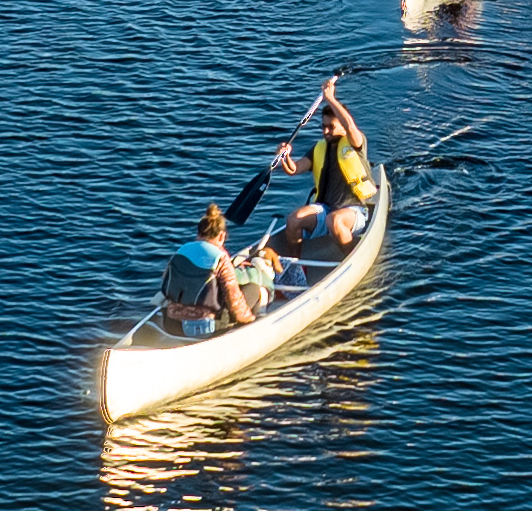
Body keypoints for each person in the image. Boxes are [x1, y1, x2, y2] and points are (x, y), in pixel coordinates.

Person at [283, 76, 376, 258]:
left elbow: (350, 125)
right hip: (326, 209)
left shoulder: (355, 141)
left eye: (331, 127)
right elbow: (294, 170)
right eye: (323, 127)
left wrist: (330, 98)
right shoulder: (319, 148)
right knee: (293, 220)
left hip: (354, 210)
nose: (326, 132)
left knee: (335, 220)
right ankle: (296, 269)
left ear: (341, 126)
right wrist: (285, 156)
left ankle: (351, 260)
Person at [158, 202, 268, 335]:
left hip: (172, 323)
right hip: (206, 327)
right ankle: (254, 332)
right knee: (254, 289)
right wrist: (248, 318)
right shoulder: (220, 257)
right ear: (221, 235)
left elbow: (166, 280)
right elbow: (234, 299)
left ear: (199, 232)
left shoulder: (181, 251)